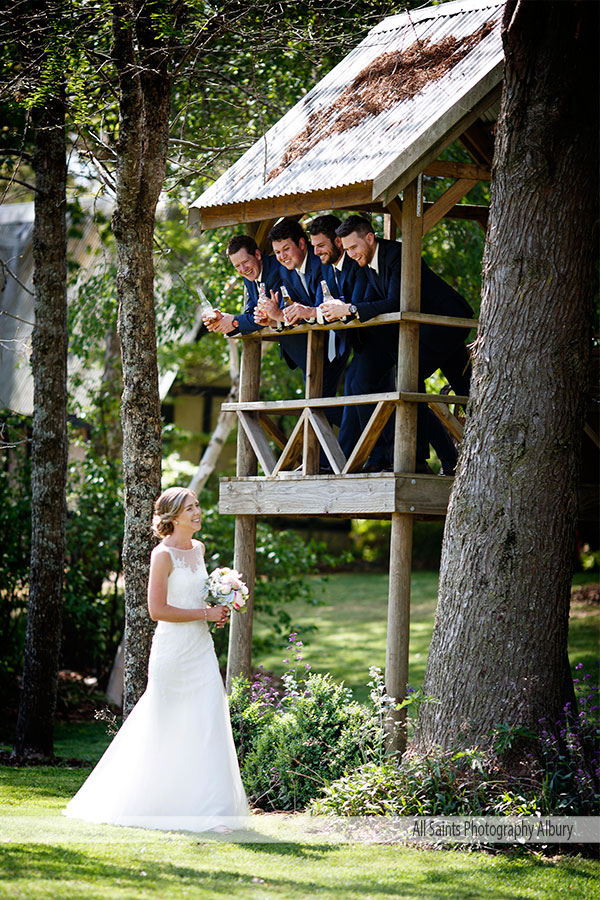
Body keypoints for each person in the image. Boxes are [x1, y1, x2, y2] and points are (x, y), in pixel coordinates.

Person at [64, 487, 248, 832]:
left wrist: (217, 608)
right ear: (174, 517)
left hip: (200, 648)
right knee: (166, 724)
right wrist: (204, 614)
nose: (197, 512)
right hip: (173, 652)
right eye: (190, 508)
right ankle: (150, 800)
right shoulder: (162, 555)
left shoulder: (199, 549)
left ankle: (215, 809)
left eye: (197, 506)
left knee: (209, 717)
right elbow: (157, 610)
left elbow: (196, 597)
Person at [321, 215, 473, 473]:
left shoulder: (397, 256)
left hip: (446, 327)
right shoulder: (364, 263)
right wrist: (342, 310)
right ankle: (415, 459)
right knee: (377, 383)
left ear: (370, 238)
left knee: (469, 396)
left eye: (354, 247)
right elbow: (365, 302)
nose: (351, 254)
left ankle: (445, 458)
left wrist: (350, 307)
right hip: (418, 334)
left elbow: (396, 302)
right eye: (346, 249)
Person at [203, 234, 282, 336]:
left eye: (245, 262)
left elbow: (271, 315)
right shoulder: (249, 278)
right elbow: (251, 315)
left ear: (257, 255)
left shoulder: (276, 269)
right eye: (237, 266)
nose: (243, 269)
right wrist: (224, 319)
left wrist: (234, 322)